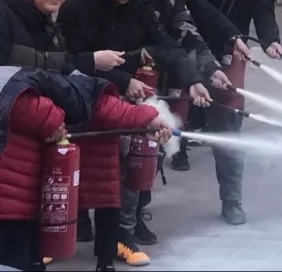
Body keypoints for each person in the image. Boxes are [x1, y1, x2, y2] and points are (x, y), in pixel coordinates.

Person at [58, 0, 206, 262]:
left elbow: (164, 43)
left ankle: (123, 235)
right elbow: (69, 61)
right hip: (84, 97)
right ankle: (71, 227)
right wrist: (121, 78)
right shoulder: (76, 9)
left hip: (126, 97)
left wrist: (192, 78)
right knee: (79, 167)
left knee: (128, 163)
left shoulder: (138, 3)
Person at [0, 67, 172, 272]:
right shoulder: (22, 90)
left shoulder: (66, 85)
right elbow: (31, 108)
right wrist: (54, 122)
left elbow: (110, 108)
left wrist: (148, 119)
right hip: (12, 203)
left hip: (22, 199)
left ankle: (109, 253)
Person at [195, 0, 282, 226]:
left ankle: (232, 201)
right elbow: (197, 6)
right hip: (190, 47)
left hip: (230, 53)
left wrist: (271, 40)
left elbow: (264, 12)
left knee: (230, 127)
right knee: (167, 118)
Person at [166, 0, 251, 172]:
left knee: (181, 106)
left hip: (180, 54)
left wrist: (233, 36)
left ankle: (179, 149)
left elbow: (204, 13)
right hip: (148, 62)